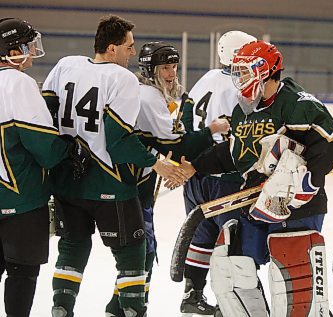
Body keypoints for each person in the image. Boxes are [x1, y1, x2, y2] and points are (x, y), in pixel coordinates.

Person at [167, 40, 333, 317]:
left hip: (296, 206)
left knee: (292, 277)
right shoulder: (244, 111)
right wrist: (196, 167)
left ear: (265, 71)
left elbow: (330, 143)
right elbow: (233, 153)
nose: (239, 79)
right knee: (231, 267)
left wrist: (306, 183)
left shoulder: (297, 103)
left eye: (245, 72)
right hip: (257, 205)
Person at [42, 15, 178, 317]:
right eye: (129, 47)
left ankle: (61, 308)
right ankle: (130, 310)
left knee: (72, 247)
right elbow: (119, 141)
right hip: (109, 183)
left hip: (66, 181)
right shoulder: (122, 79)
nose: (132, 53)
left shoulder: (65, 65)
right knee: (132, 251)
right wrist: (156, 163)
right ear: (113, 48)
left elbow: (46, 116)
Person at [104, 41, 230, 316]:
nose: (172, 73)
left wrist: (174, 166)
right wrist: (212, 131)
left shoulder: (147, 93)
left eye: (173, 66)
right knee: (142, 251)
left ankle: (117, 309)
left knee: (141, 250)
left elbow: (167, 143)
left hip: (132, 181)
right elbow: (178, 144)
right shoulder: (149, 97)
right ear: (150, 70)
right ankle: (132, 309)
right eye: (165, 68)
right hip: (130, 185)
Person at [0, 17, 86, 317]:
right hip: (21, 198)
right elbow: (45, 149)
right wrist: (67, 147)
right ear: (11, 51)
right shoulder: (17, 83)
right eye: (25, 45)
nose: (31, 50)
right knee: (22, 271)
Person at [179, 30, 256, 316]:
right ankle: (231, 302)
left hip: (196, 177)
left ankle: (192, 295)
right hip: (226, 177)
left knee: (201, 236)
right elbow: (246, 134)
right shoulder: (241, 86)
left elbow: (185, 123)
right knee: (231, 240)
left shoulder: (205, 79)